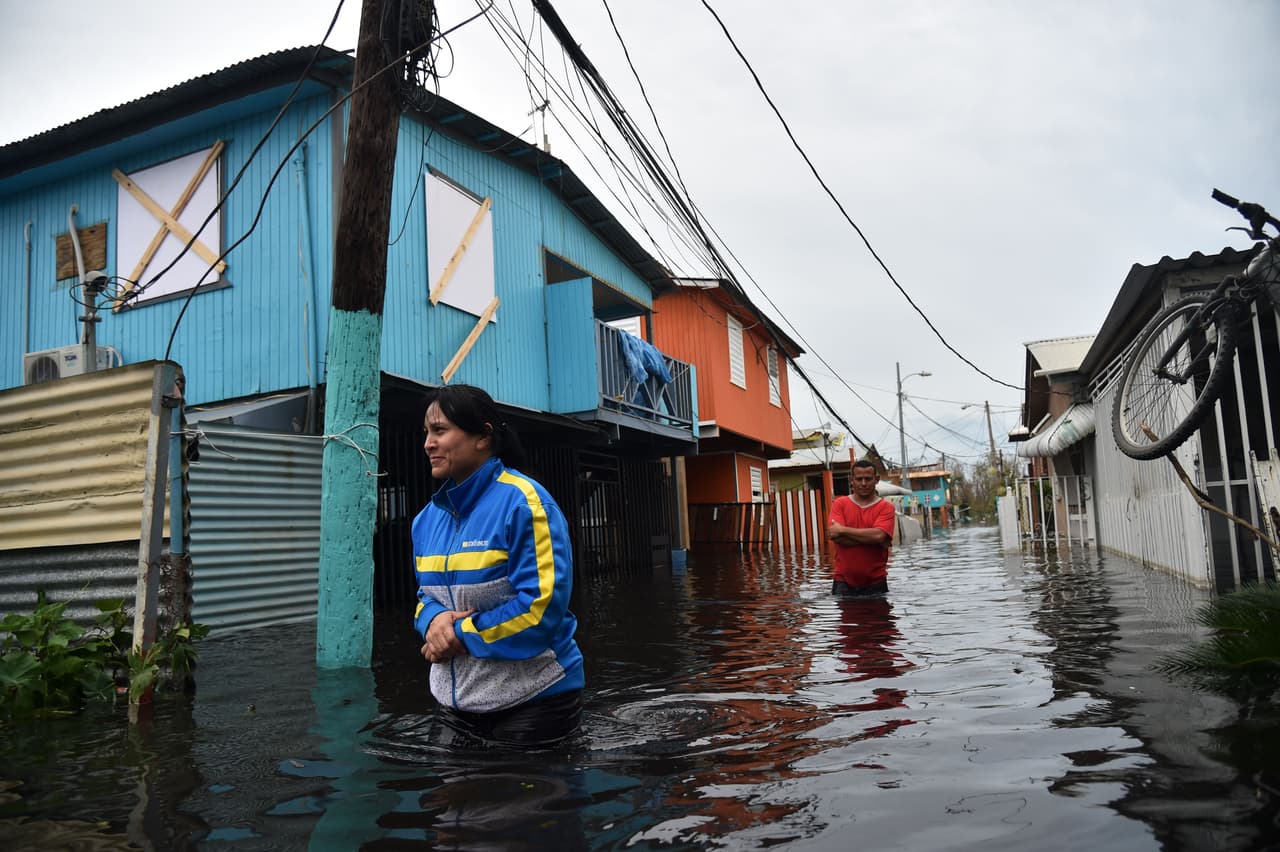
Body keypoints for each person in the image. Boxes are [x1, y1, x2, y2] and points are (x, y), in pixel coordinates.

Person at [411, 384, 584, 747]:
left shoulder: (525, 504)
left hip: (536, 699)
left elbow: (540, 609)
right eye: (427, 432)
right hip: (454, 704)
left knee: (514, 799)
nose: (428, 443)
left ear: (483, 437)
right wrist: (433, 622)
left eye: (440, 431)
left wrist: (457, 635)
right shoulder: (425, 521)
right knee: (452, 801)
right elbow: (424, 596)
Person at [827, 458, 897, 596]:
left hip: (876, 582)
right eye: (859, 479)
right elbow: (836, 536)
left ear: (876, 479)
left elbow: (879, 536)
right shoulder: (839, 504)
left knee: (879, 618)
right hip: (843, 581)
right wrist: (875, 540)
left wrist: (843, 530)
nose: (863, 483)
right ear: (851, 480)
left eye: (868, 479)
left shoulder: (886, 508)